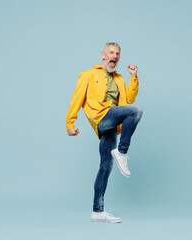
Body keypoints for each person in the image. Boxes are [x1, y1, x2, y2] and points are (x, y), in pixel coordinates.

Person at [66, 42, 143, 223]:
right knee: (136, 110)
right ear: (103, 55)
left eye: (117, 54)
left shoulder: (118, 78)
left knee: (105, 166)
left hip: (112, 122)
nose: (114, 56)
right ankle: (122, 152)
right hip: (100, 117)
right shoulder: (89, 74)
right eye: (111, 53)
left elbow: (129, 99)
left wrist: (133, 77)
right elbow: (77, 97)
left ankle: (98, 211)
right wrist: (70, 122)